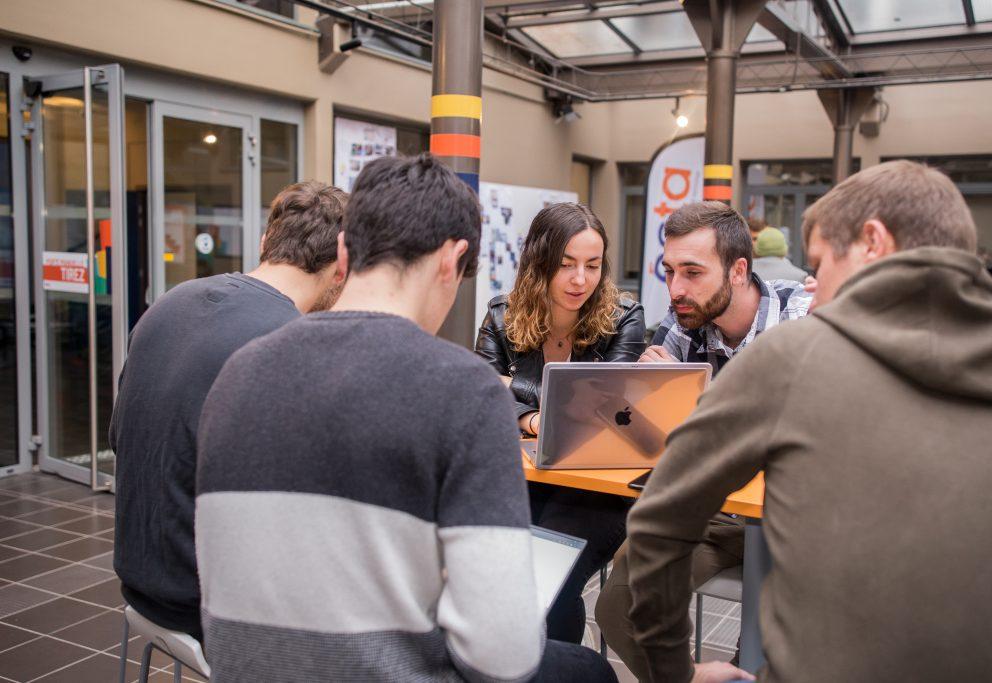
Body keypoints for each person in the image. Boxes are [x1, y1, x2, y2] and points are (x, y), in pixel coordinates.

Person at [195, 155, 616, 682]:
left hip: (243, 671)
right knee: (589, 671)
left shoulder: (239, 369)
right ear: (453, 260)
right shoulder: (463, 391)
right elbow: (502, 656)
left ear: (344, 251)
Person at [627, 160, 992, 682]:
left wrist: (674, 673)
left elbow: (659, 524)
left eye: (820, 264)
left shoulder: (795, 356)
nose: (815, 289)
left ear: (872, 243)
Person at [110, 181, 347, 641]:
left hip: (138, 580)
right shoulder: (292, 343)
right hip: (216, 611)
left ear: (265, 243)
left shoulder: (168, 304)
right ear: (342, 269)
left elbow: (122, 438)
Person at [595, 201, 811, 678]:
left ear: (738, 270)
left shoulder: (798, 315)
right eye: (669, 271)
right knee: (617, 608)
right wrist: (644, 398)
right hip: (714, 510)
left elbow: (790, 427)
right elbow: (659, 433)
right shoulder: (683, 322)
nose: (676, 290)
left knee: (767, 651)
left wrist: (694, 397)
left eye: (692, 272)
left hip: (790, 516)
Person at [475, 202, 646, 643]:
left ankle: (556, 667)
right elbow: (478, 398)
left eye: (592, 266)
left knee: (548, 576)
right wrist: (535, 419)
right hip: (524, 480)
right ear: (539, 262)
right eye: (566, 264)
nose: (580, 280)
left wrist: (512, 386)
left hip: (595, 488)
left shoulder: (623, 318)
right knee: (500, 572)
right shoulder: (501, 316)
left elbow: (607, 411)